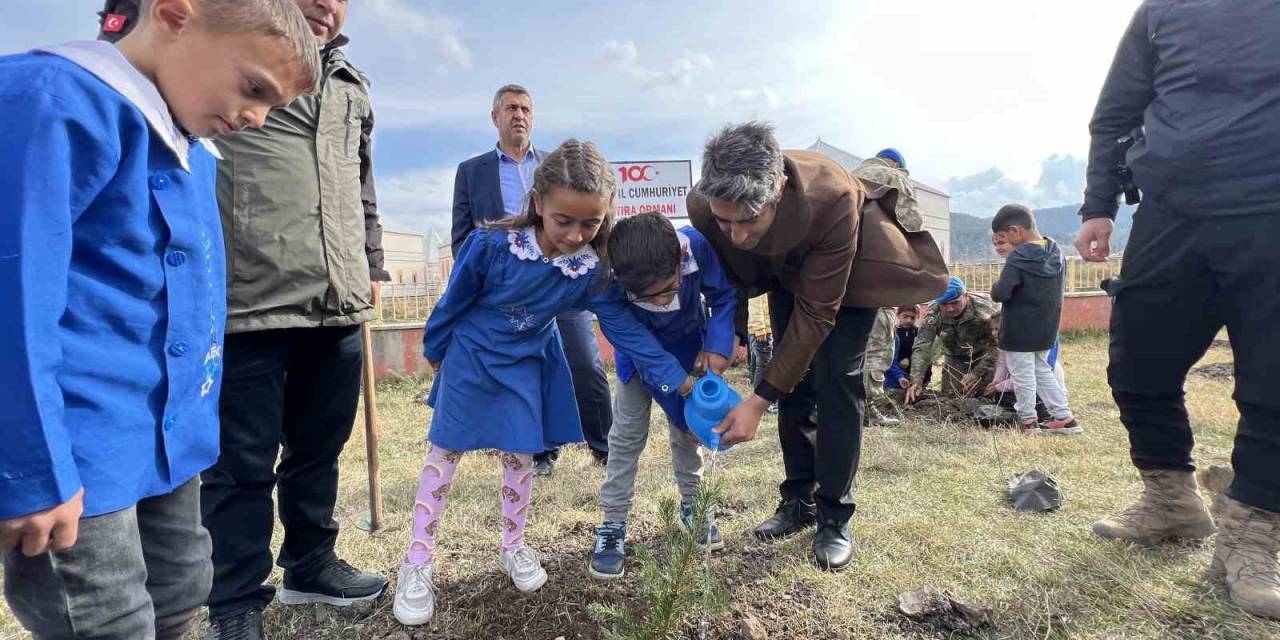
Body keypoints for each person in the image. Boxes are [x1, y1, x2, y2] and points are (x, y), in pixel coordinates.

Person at [0, 2, 320, 639]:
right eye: (254, 87)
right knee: (106, 619)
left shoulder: (192, 150)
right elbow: (13, 290)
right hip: (81, 454)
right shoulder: (52, 101)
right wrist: (30, 466)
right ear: (176, 14)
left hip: (164, 447)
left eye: (272, 107)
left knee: (179, 590)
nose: (256, 117)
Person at [394, 140, 695, 626]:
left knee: (521, 455)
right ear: (538, 203)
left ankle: (513, 545)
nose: (576, 235)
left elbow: (626, 333)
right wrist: (435, 348)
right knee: (445, 453)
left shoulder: (592, 274)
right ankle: (417, 560)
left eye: (590, 223)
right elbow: (454, 299)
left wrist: (678, 381)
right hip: (472, 356)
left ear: (606, 216)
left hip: (527, 361)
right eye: (564, 220)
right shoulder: (491, 246)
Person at [1076, 0, 1280, 618]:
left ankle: (1253, 535)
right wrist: (1098, 203)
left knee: (1272, 383)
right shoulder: (1161, 10)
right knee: (1137, 364)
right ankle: (1172, 501)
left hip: (1269, 210)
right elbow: (1115, 111)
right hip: (1169, 209)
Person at [199, 1, 391, 636]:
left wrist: (372, 260)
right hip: (247, 299)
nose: (325, 5)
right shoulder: (231, 55)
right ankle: (233, 602)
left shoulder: (350, 83)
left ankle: (309, 564)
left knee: (319, 447)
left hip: (337, 298)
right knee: (241, 464)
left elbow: (360, 182)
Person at [688, 122, 922, 571]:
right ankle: (799, 500)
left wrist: (758, 401)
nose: (734, 233)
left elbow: (817, 315)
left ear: (776, 190)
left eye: (747, 220)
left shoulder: (833, 196)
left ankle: (834, 515)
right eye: (724, 220)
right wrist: (731, 332)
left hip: (849, 277)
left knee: (837, 380)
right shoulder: (704, 204)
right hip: (785, 272)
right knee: (791, 379)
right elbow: (729, 267)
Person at [451, 84, 614, 475]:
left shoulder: (555, 167)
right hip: (511, 292)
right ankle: (540, 453)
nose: (518, 115)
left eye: (525, 108)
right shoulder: (472, 172)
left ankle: (605, 446)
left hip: (564, 280)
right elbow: (463, 238)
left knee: (585, 363)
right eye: (510, 108)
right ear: (495, 118)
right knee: (527, 370)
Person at [588, 212, 738, 580]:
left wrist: (718, 345)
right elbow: (640, 345)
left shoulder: (696, 246)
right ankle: (613, 524)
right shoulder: (605, 282)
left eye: (670, 287)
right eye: (649, 297)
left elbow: (723, 294)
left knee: (689, 432)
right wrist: (680, 383)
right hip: (639, 362)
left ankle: (693, 507)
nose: (663, 301)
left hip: (690, 349)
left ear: (678, 262)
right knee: (625, 437)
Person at [989, 204, 1079, 435]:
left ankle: (1029, 422)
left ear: (1015, 230)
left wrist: (994, 287)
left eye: (1003, 236)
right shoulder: (1056, 250)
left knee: (1022, 375)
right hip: (1047, 328)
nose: (1003, 241)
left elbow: (1002, 293)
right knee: (1041, 370)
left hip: (1019, 329)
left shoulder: (1018, 256)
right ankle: (1064, 418)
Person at [905, 276, 1000, 404]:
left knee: (987, 400)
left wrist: (977, 373)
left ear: (966, 296)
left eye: (955, 302)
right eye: (944, 304)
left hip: (985, 358)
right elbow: (922, 345)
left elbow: (1000, 344)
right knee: (951, 401)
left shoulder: (986, 309)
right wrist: (916, 380)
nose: (950, 308)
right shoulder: (934, 312)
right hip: (955, 360)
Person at [851, 148, 923, 232]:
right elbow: (912, 221)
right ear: (896, 165)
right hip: (870, 238)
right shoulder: (895, 175)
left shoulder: (852, 174)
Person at [862, 308, 900, 426]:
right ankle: (866, 413)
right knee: (874, 356)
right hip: (878, 304)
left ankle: (864, 408)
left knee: (881, 355)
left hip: (883, 305)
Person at [886, 306, 925, 390]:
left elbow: (922, 352)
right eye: (905, 316)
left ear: (917, 317)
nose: (909, 320)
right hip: (895, 368)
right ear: (898, 315)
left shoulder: (919, 333)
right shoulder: (893, 332)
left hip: (913, 369)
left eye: (912, 317)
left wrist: (909, 359)